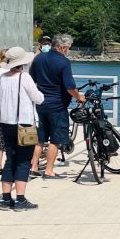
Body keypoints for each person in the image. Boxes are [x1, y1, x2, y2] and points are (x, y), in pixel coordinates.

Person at [28, 33, 83, 179]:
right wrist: (79, 97)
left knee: (40, 138)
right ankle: (49, 170)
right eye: (69, 48)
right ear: (63, 47)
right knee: (55, 139)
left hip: (40, 103)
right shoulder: (63, 62)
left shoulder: (38, 58)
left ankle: (33, 167)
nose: (68, 50)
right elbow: (70, 87)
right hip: (57, 105)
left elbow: (32, 78)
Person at [0, 47, 43, 210]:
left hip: (6, 123)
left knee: (10, 160)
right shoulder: (25, 77)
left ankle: (5, 198)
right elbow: (38, 98)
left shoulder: (2, 77)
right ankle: (20, 199)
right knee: (23, 162)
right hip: (25, 124)